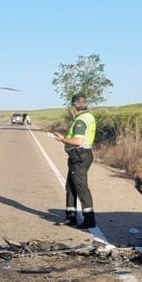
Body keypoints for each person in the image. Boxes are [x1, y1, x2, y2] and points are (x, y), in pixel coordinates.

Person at [51, 93, 97, 229]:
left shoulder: (81, 120)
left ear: (74, 107)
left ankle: (89, 219)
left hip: (80, 155)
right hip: (81, 155)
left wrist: (63, 139)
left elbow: (78, 141)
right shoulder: (89, 117)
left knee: (80, 186)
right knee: (71, 186)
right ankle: (70, 216)